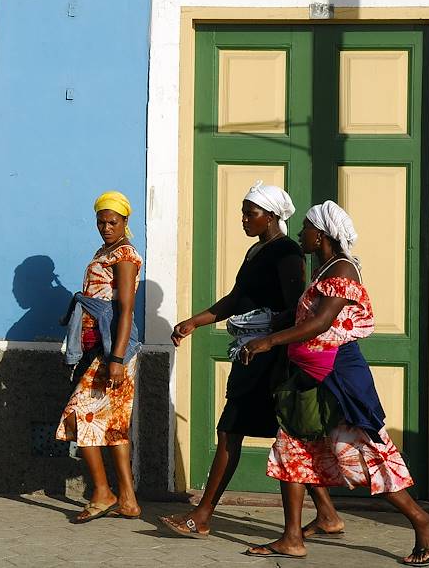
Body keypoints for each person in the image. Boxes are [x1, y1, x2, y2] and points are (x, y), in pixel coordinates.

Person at [236, 202, 429, 566]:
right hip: (314, 377)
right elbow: (306, 315)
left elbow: (321, 323)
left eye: (305, 228)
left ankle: (422, 520)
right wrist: (267, 323)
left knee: (367, 454)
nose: (300, 233)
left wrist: (268, 342)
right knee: (293, 448)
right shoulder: (325, 268)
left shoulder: (342, 269)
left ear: (321, 235)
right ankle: (293, 537)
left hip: (338, 380)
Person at [160, 182, 343, 538]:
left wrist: (266, 330)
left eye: (251, 213)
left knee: (231, 429)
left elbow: (298, 310)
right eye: (243, 212)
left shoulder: (287, 252)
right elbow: (236, 297)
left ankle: (203, 515)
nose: (244, 219)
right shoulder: (255, 253)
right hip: (252, 354)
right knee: (290, 436)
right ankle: (327, 513)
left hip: (268, 359)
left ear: (272, 216)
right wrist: (195, 322)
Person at [57, 190, 143, 523]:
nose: (106, 227)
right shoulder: (103, 250)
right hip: (99, 348)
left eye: (113, 222)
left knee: (78, 415)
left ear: (125, 222)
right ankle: (129, 500)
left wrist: (117, 359)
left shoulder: (124, 254)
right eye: (101, 221)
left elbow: (125, 310)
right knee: (114, 425)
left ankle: (103, 492)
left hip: (112, 352)